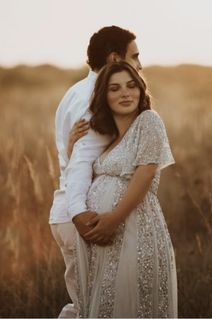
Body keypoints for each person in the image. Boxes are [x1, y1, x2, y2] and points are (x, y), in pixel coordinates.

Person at [49, 26, 142, 318]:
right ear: (115, 59)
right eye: (135, 56)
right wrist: (80, 214)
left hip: (73, 211)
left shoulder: (75, 91)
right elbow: (80, 162)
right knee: (93, 310)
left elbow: (73, 154)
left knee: (90, 307)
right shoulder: (95, 98)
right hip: (83, 218)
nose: (140, 65)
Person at [74, 61, 178, 318]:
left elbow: (145, 171)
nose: (125, 93)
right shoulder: (110, 140)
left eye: (132, 86)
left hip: (134, 229)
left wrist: (113, 219)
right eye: (115, 88)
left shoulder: (148, 121)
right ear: (104, 96)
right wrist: (71, 143)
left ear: (142, 90)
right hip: (108, 239)